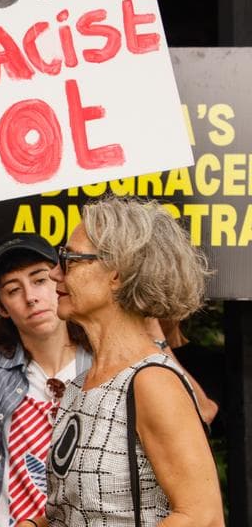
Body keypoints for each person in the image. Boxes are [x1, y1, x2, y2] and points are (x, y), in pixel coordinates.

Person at [28, 198, 223, 527]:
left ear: (117, 273)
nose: (54, 271)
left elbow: (202, 517)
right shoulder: (79, 385)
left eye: (69, 259)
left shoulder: (151, 383)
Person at [0, 234, 93, 526]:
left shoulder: (104, 362)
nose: (31, 297)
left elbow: (201, 410)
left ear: (62, 281)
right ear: (1, 307)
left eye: (40, 280)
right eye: (13, 290)